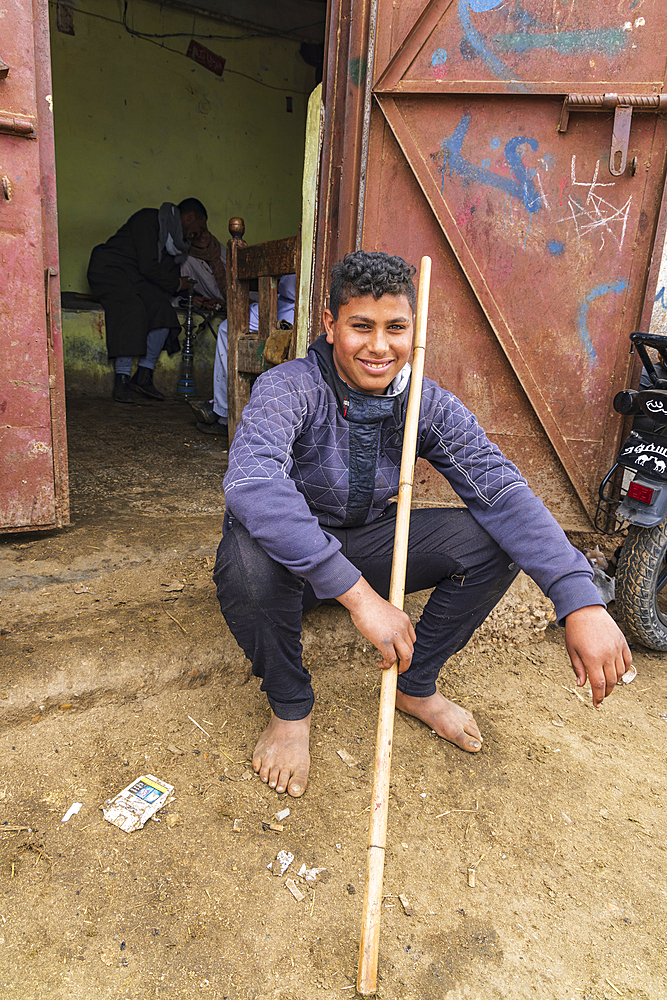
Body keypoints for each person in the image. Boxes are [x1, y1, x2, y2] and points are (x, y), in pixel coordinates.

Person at [213, 251, 632, 799]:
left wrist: (579, 598)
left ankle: (414, 685)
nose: (379, 346)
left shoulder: (424, 401)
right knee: (246, 556)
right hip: (288, 563)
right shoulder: (287, 388)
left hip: (364, 543)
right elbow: (254, 486)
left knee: (493, 542)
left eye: (396, 328)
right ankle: (290, 709)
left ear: (416, 328)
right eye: (361, 326)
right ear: (330, 324)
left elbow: (501, 490)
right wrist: (362, 599)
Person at [87, 199, 209, 403]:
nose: (198, 234)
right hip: (109, 270)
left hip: (134, 278)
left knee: (162, 309)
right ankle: (122, 378)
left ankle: (143, 376)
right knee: (131, 308)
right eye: (200, 227)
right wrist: (178, 284)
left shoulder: (177, 246)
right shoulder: (149, 220)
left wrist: (187, 294)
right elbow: (149, 267)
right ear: (189, 218)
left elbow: (163, 279)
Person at [190, 274, 297, 439]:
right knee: (229, 327)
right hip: (285, 302)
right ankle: (222, 407)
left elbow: (290, 286)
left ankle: (224, 414)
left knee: (228, 329)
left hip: (297, 304)